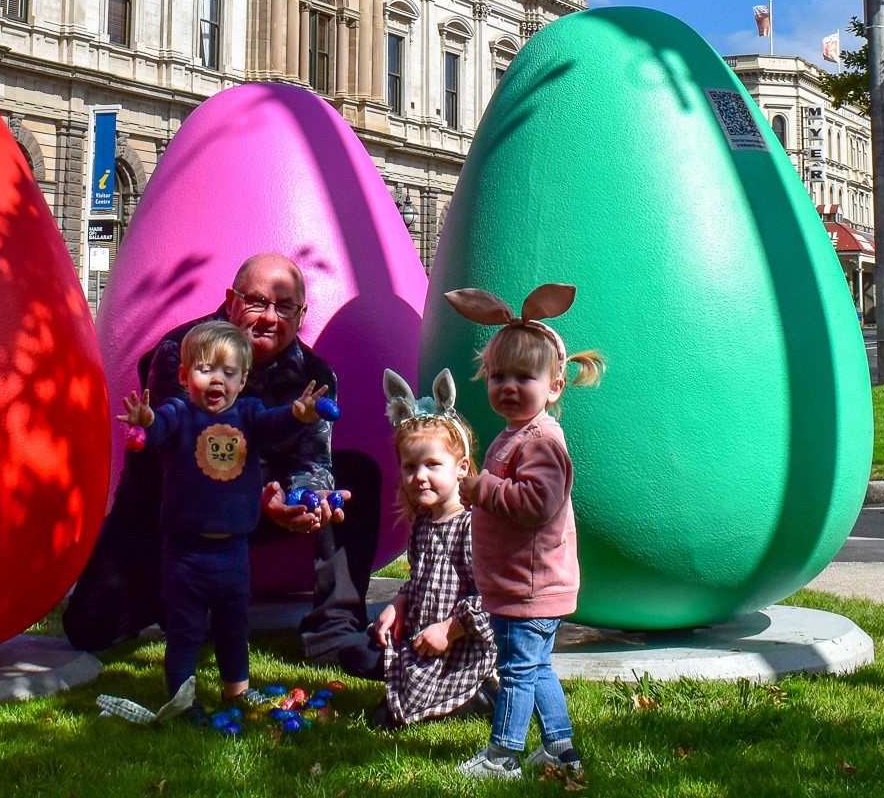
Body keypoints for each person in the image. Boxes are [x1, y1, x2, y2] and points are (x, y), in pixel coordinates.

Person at [63, 253, 384, 674]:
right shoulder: (181, 351)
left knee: (357, 476)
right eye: (257, 303)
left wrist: (308, 497)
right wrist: (258, 498)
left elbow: (312, 458)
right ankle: (178, 596)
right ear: (231, 301)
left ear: (301, 314)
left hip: (254, 512)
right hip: (165, 514)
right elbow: (184, 450)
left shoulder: (313, 373)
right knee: (89, 627)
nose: (270, 318)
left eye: (285, 307)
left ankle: (334, 630)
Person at [119, 319, 330, 701]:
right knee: (185, 631)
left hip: (233, 553)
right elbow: (158, 427)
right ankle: (181, 700)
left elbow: (274, 424)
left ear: (243, 378)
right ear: (184, 375)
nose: (217, 381)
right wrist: (145, 422)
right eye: (205, 370)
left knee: (235, 628)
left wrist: (299, 415)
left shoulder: (248, 413)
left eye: (228, 373)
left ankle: (238, 694)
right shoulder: (179, 413)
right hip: (185, 554)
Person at [444, 283, 604, 783]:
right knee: (534, 669)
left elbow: (536, 504)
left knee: (516, 670)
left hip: (532, 584)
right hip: (520, 581)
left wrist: (483, 488)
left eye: (524, 377)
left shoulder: (541, 441)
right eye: (498, 376)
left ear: (554, 386)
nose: (508, 387)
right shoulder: (515, 434)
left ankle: (503, 754)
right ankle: (561, 748)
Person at [369, 368, 494, 729]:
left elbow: (491, 597)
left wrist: (449, 629)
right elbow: (421, 580)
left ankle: (484, 693)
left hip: (461, 646)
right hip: (426, 642)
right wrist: (399, 602)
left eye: (432, 465)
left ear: (461, 468)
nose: (419, 476)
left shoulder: (470, 527)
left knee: (392, 716)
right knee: (381, 704)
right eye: (410, 467)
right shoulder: (424, 524)